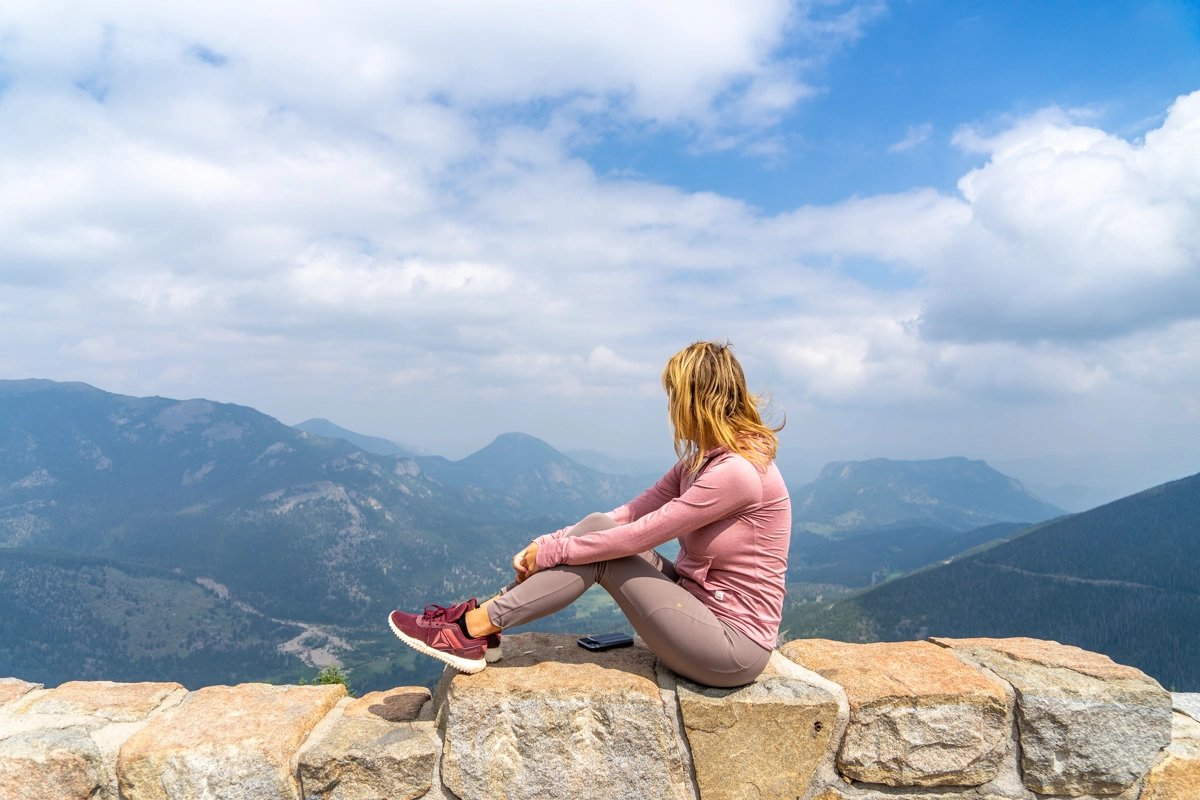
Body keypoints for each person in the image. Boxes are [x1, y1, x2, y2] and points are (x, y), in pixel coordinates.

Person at [388, 341, 790, 687]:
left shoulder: (737, 473)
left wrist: (551, 555)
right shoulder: (702, 462)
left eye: (674, 396)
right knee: (599, 527)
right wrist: (548, 541)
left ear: (696, 402)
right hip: (696, 605)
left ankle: (473, 629)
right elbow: (627, 514)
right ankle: (483, 627)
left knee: (602, 556)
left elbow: (641, 535)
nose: (669, 407)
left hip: (731, 647)